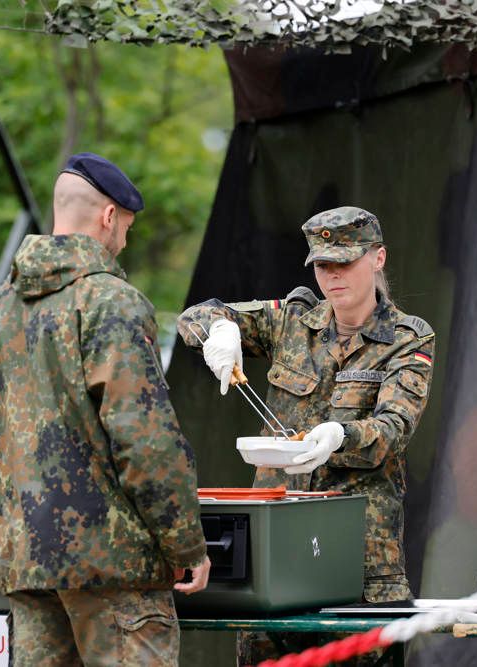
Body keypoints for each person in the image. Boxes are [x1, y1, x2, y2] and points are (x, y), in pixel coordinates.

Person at [0, 152, 211, 666]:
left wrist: (0, 543)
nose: (125, 241)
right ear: (109, 216)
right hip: (115, 570)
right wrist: (186, 547)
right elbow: (145, 440)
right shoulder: (111, 303)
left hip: (25, 564)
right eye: (127, 227)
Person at [178, 206, 435, 665]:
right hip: (278, 560)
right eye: (322, 264)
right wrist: (219, 329)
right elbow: (196, 314)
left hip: (361, 566)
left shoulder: (407, 339)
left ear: (378, 258)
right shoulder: (292, 322)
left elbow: (394, 427)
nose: (332, 276)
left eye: (345, 262)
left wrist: (340, 434)